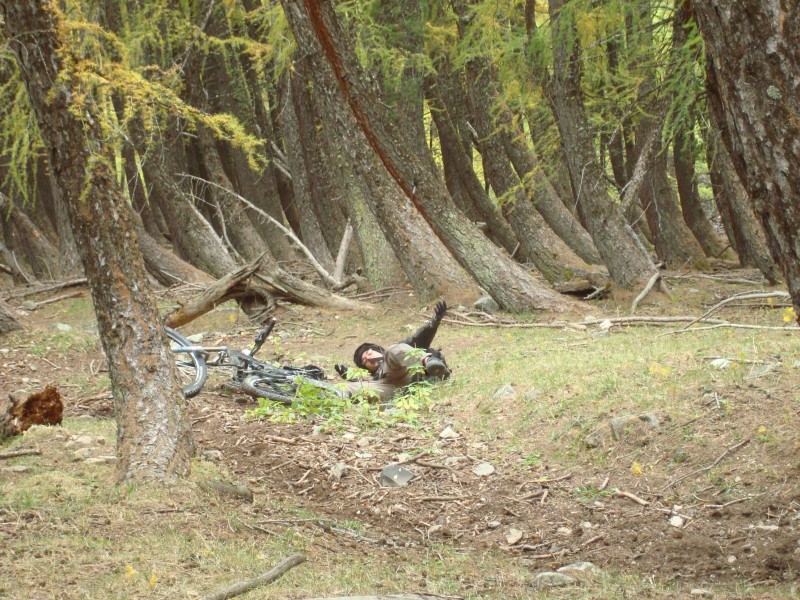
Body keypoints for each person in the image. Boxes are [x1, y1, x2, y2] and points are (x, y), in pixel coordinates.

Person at [335, 301, 450, 401]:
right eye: (364, 361)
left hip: (413, 374)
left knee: (393, 349)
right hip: (393, 390)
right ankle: (331, 394)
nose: (368, 358)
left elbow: (418, 340)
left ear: (378, 350)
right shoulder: (375, 377)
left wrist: (432, 324)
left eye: (368, 353)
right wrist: (350, 376)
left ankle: (429, 361)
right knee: (344, 388)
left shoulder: (395, 351)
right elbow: (368, 385)